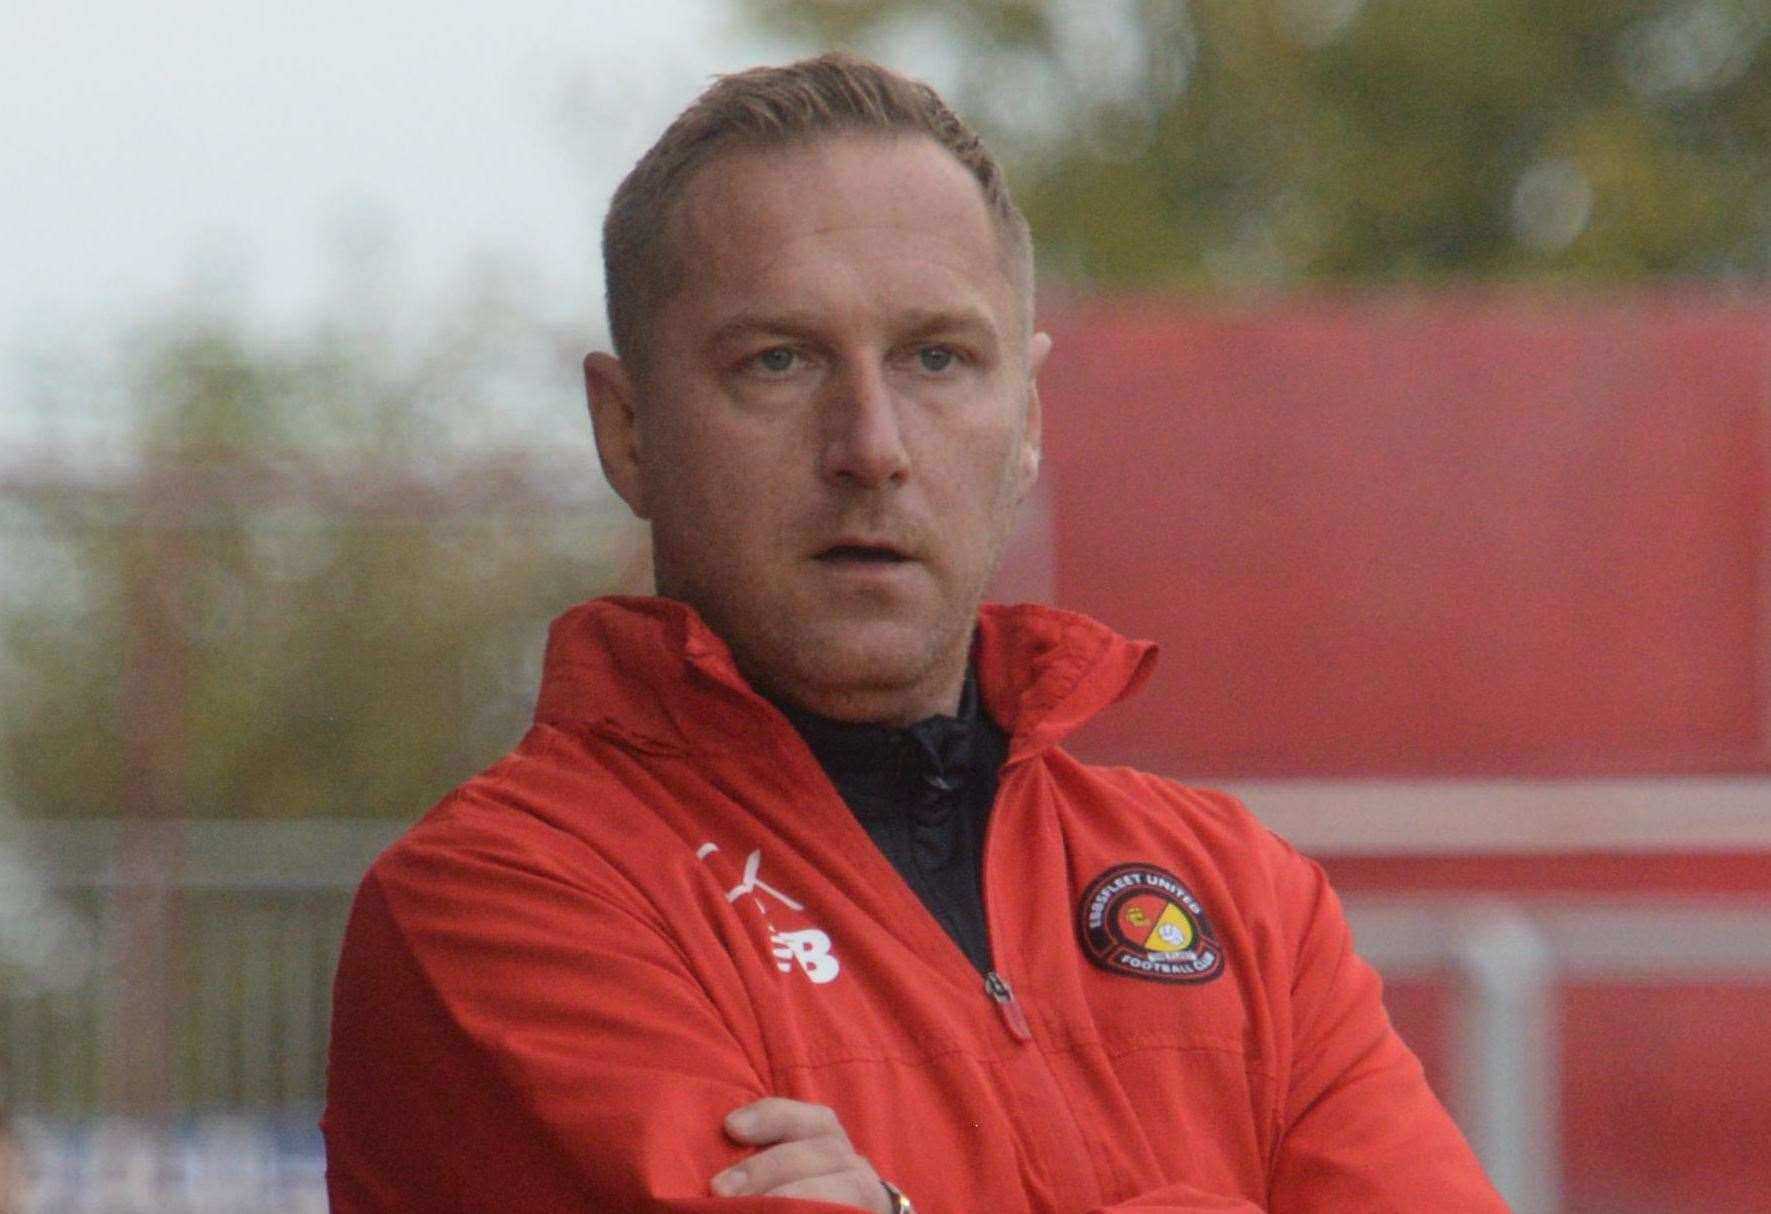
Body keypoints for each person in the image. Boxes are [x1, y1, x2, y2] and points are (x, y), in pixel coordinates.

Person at [323, 53, 1508, 1213]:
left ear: (1027, 417)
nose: (873, 443)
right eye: (778, 361)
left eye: (936, 357)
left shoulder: (1243, 898)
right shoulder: (503, 904)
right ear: (627, 431)